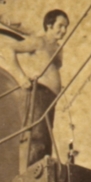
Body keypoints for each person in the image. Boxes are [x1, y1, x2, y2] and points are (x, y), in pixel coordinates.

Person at [11, 9, 69, 168]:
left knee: (46, 139)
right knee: (36, 135)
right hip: (38, 93)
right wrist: (21, 77)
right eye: (60, 25)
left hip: (51, 97)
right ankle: (31, 171)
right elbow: (8, 49)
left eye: (66, 27)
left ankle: (42, 171)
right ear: (49, 25)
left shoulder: (58, 48)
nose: (64, 30)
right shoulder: (38, 42)